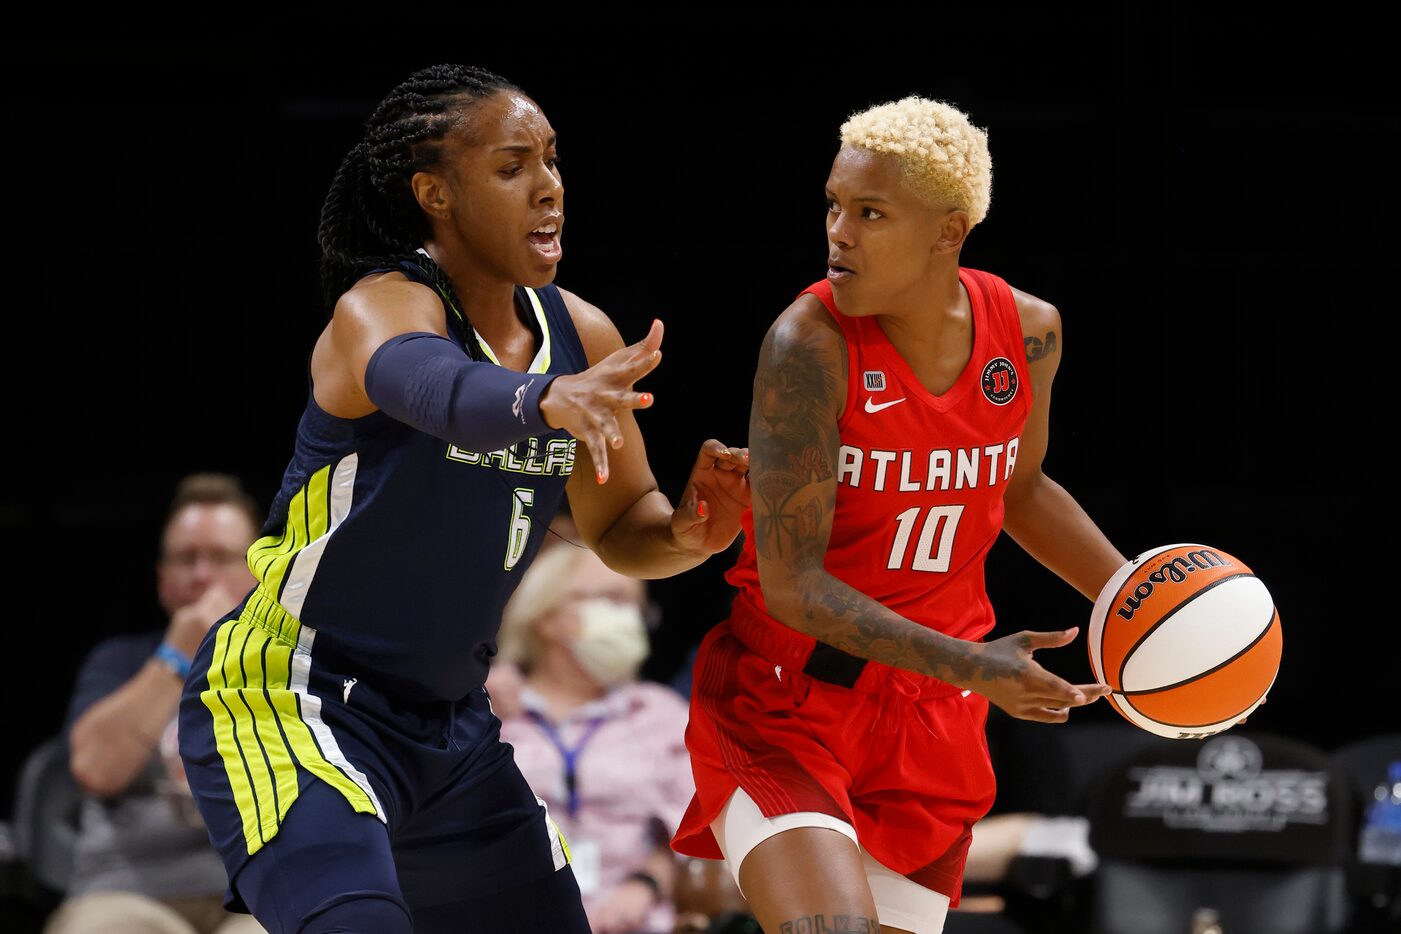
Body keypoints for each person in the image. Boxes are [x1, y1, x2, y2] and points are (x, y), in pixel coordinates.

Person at [175, 64, 748, 934]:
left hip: (448, 727)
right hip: (296, 697)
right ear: (435, 193)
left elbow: (626, 530)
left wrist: (695, 532)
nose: (549, 187)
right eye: (513, 166)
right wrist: (539, 400)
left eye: (552, 160)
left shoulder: (578, 334)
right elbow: (427, 384)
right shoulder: (382, 306)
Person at [671, 96, 1126, 934]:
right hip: (786, 700)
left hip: (930, 720)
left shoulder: (1028, 333)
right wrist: (973, 665)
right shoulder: (805, 345)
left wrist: (1135, 597)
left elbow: (1019, 489)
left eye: (869, 213)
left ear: (947, 232)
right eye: (833, 207)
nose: (838, 232)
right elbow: (794, 586)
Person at [48, 474, 265, 934]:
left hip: (257, 894)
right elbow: (95, 770)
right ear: (162, 579)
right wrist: (177, 655)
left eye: (223, 557)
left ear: (258, 570)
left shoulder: (288, 667)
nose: (203, 575)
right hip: (127, 892)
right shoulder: (118, 662)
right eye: (187, 559)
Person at [494, 541, 693, 933]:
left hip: (633, 922)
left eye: (637, 606)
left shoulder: (660, 713)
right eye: (612, 599)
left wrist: (645, 886)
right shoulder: (487, 710)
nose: (629, 618)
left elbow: (691, 827)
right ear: (546, 617)